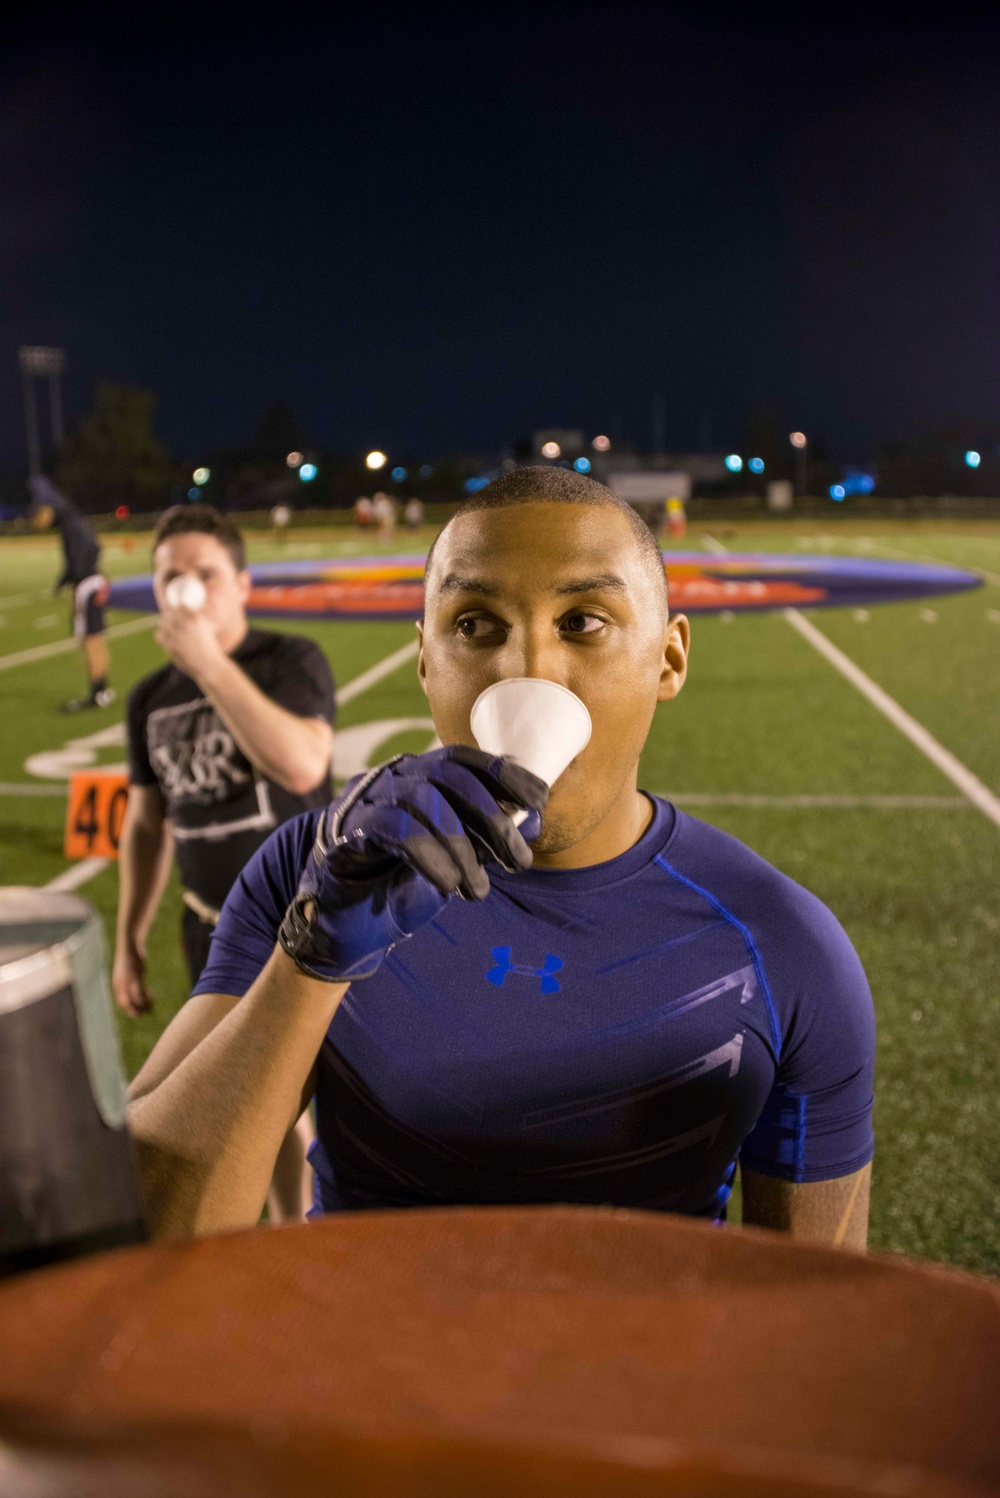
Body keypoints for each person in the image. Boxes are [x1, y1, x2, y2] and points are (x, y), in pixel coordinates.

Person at [128, 468, 876, 1249]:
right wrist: (311, 959)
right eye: (476, 626)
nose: (529, 673)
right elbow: (138, 1225)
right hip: (354, 1364)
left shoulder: (783, 944)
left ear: (669, 659)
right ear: (425, 660)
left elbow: (815, 1311)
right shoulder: (309, 870)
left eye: (583, 621)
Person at [113, 503, 336, 1221]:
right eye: (170, 576)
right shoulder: (151, 696)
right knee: (234, 1103)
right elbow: (147, 825)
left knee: (297, 1102)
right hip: (207, 925)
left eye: (204, 575)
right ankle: (268, 1239)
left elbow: (302, 763)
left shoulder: (287, 659)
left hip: (303, 926)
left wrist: (211, 666)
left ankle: (302, 1239)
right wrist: (128, 937)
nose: (186, 590)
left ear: (242, 584)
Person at [29, 475, 114, 713]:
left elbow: (77, 565)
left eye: (38, 513)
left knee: (90, 641)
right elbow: (95, 548)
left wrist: (72, 583)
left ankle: (97, 693)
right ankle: (102, 690)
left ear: (47, 509)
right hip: (93, 582)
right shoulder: (74, 520)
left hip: (86, 587)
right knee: (96, 638)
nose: (38, 520)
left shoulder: (69, 524)